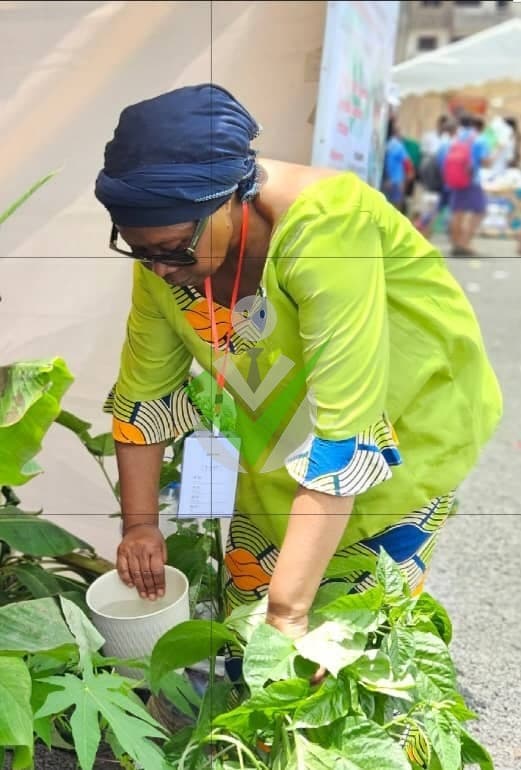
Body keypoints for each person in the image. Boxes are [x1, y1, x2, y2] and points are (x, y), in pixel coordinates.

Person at [95, 85, 502, 685]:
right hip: (279, 443)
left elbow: (347, 437)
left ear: (232, 197)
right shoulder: (169, 259)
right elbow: (144, 396)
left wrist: (288, 615)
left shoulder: (331, 228)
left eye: (171, 248)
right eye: (138, 249)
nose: (158, 269)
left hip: (402, 437)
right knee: (250, 633)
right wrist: (140, 525)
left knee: (345, 656)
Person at [440, 114, 490, 257]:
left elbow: (443, 158)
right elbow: (485, 161)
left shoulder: (455, 139)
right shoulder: (479, 139)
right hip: (471, 180)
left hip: (455, 180)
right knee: (480, 211)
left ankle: (456, 244)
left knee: (457, 212)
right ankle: (464, 243)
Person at [381, 117, 410, 212]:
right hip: (396, 181)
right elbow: (407, 162)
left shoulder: (383, 144)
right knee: (396, 209)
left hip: (384, 182)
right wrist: (409, 176)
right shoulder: (398, 146)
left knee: (383, 207)